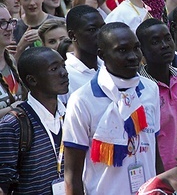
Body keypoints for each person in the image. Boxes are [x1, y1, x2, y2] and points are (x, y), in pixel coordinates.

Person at [63, 22, 163, 194]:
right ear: (102, 54)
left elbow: (154, 151)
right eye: (122, 50)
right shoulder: (82, 100)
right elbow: (72, 175)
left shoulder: (150, 89)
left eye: (136, 48)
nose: (133, 56)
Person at [0, 47, 68, 194]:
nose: (64, 73)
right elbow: (3, 185)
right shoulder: (13, 125)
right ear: (32, 80)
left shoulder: (72, 115)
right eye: (54, 69)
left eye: (64, 66)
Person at [136, 18, 177, 171]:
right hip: (159, 171)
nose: (165, 46)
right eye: (155, 42)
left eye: (167, 38)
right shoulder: (139, 89)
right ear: (142, 50)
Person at [62, 5, 104, 103]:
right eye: (92, 30)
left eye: (103, 28)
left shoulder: (109, 66)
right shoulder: (65, 76)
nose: (101, 34)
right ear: (73, 35)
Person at [0, 4, 26, 117]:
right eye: (2, 23)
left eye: (10, 22)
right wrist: (13, 109)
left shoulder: (10, 61)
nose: (10, 28)